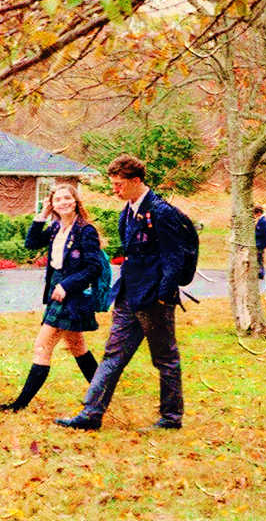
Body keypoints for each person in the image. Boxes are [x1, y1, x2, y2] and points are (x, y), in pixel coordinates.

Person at [55, 154, 185, 431]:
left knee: (165, 358)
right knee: (113, 355)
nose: (114, 189)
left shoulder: (161, 212)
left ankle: (171, 417)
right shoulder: (127, 211)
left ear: (136, 180)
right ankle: (91, 414)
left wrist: (163, 295)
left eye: (119, 184)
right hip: (129, 296)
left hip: (154, 299)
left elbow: (175, 257)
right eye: (112, 184)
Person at [0, 183, 103, 412]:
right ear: (52, 204)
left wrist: (67, 285)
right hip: (58, 292)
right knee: (77, 346)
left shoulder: (85, 231)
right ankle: (102, 394)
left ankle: (19, 405)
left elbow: (94, 268)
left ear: (76, 201)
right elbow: (31, 243)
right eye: (57, 199)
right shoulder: (56, 228)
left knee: (42, 346)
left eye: (67, 198)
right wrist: (43, 214)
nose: (63, 202)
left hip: (72, 295)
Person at [254, 205, 266, 279]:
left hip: (260, 243)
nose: (255, 215)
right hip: (260, 243)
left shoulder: (263, 222)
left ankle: (261, 273)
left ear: (259, 212)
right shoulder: (261, 221)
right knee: (259, 258)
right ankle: (260, 272)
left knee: (259, 259)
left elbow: (262, 233)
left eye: (256, 214)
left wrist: (253, 233)